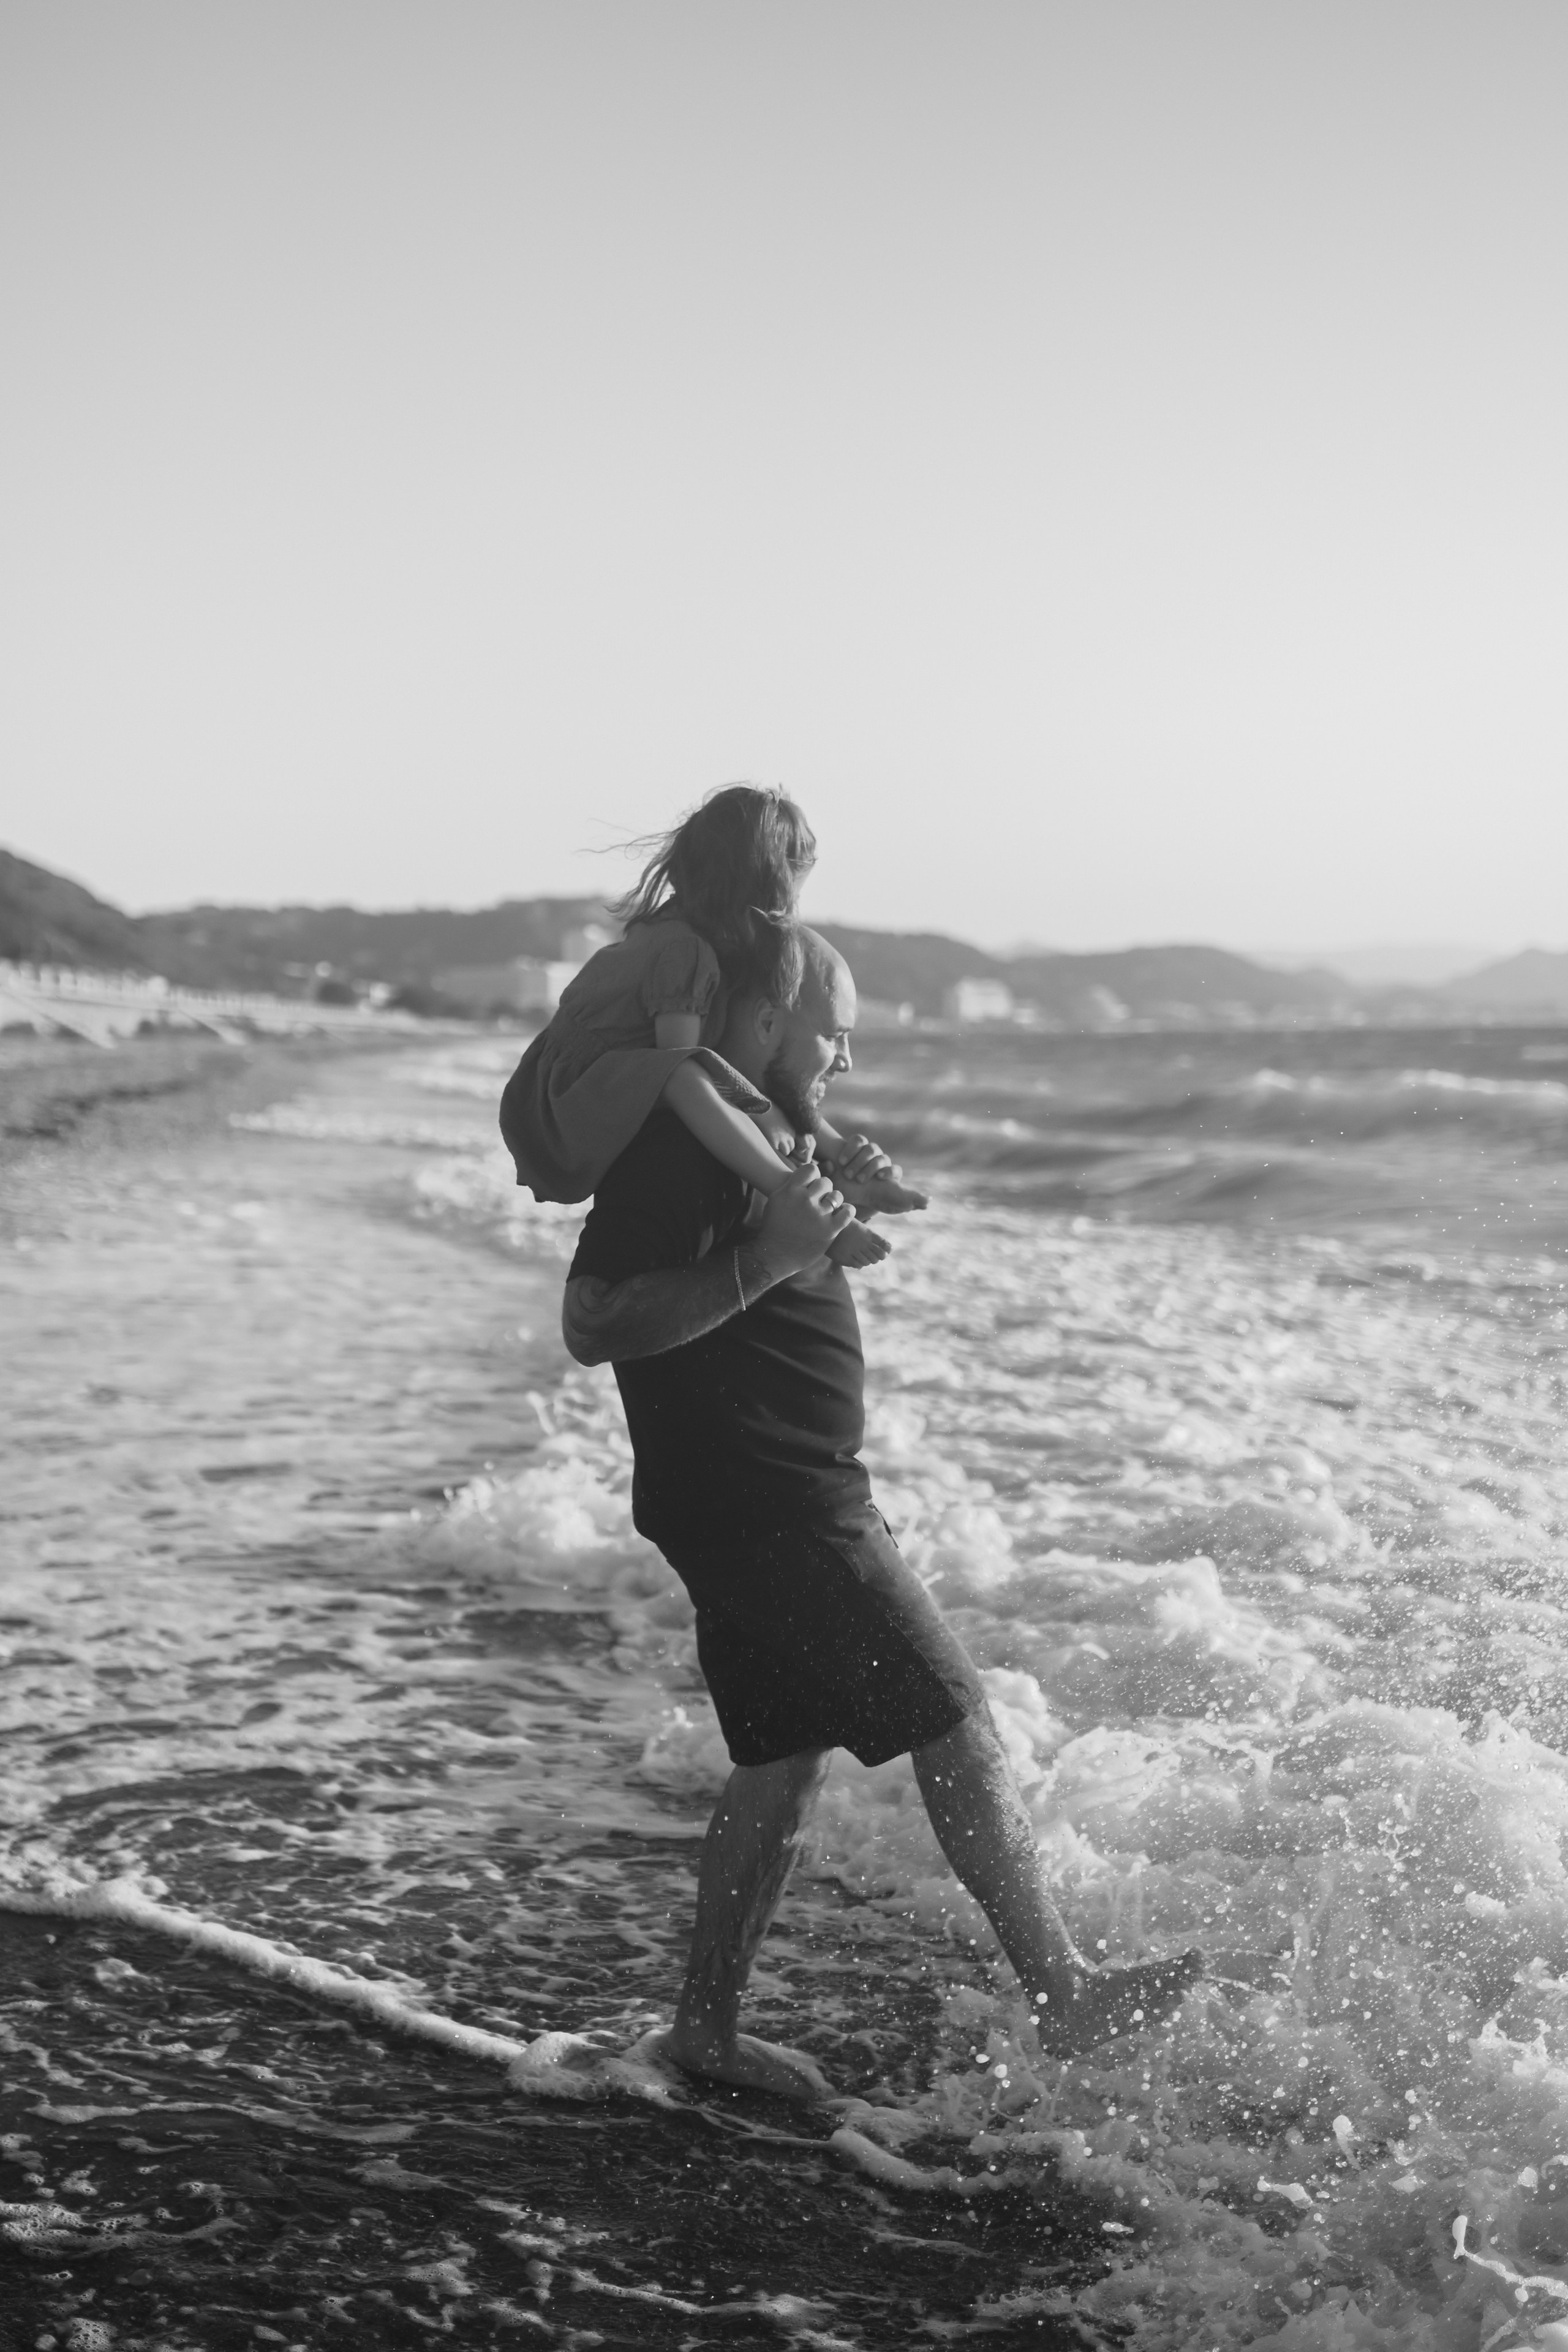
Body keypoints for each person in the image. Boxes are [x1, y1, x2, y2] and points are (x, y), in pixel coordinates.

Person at [560, 924, 1204, 2100]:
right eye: (835, 1033)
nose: (847, 1057)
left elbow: (772, 1262)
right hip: (778, 1499)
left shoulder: (750, 1138)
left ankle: (705, 2027)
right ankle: (1065, 1990)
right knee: (956, 1717)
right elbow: (596, 1318)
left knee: (780, 1760)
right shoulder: (680, 1150)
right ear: (766, 1026)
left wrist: (818, 1223)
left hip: (751, 1492)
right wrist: (770, 1257)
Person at [500, 785, 925, 1268]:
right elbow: (680, 1061)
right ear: (754, 888)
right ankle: (800, 1202)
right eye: (788, 897)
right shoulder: (684, 949)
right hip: (565, 1098)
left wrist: (816, 1136)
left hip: (601, 1079)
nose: (787, 916)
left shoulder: (703, 941)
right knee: (687, 1076)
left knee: (744, 1069)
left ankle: (849, 1162)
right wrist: (762, 1113)